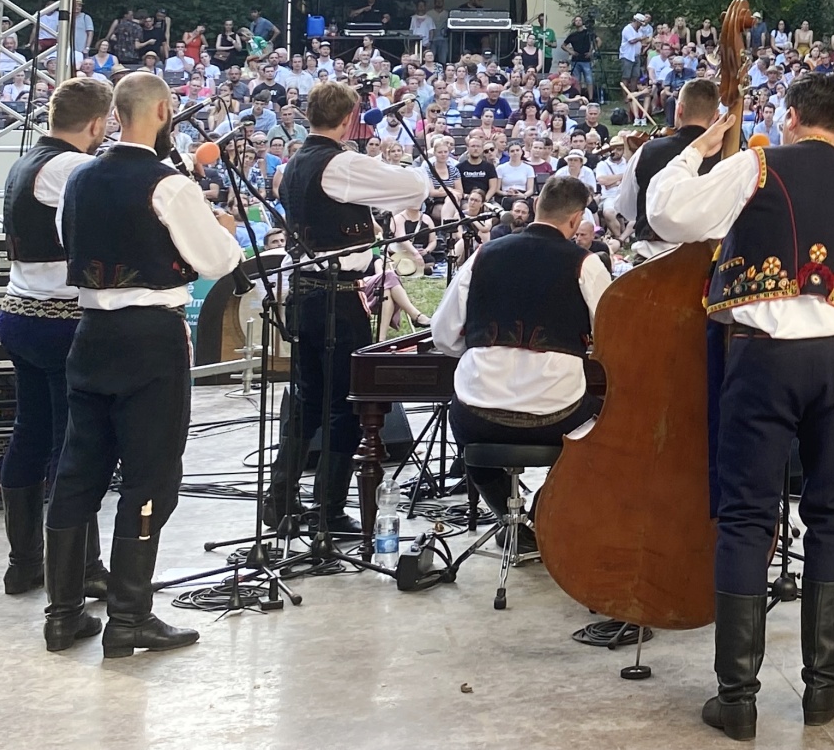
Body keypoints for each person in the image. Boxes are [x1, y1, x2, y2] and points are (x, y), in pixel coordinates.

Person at [647, 73, 834, 740]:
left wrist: (696, 149)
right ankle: (823, 688)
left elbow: (667, 214)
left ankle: (737, 698)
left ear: (792, 117)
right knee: (833, 515)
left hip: (762, 356)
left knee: (747, 517)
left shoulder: (757, 165)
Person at [43, 72, 243, 656]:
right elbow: (217, 260)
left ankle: (62, 616)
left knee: (78, 472)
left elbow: (68, 241)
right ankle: (129, 618)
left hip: (91, 332)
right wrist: (225, 231)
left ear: (115, 115)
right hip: (150, 338)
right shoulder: (169, 185)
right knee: (150, 476)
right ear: (161, 112)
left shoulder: (79, 178)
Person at [264, 80, 431, 533]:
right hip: (336, 297)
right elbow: (415, 187)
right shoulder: (340, 164)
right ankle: (329, 509)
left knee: (307, 399)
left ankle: (280, 500)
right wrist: (395, 161)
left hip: (304, 291)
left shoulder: (295, 164)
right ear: (348, 120)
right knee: (344, 403)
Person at [431, 174, 609, 547]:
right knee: (606, 427)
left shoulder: (483, 255)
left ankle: (508, 520)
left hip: (479, 415)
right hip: (556, 415)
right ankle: (543, 513)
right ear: (576, 219)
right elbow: (613, 335)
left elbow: (443, 335)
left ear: (536, 206)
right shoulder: (585, 263)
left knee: (462, 422)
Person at [0, 77, 114, 600]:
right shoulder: (71, 167)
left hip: (18, 313)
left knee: (31, 433)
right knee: (76, 444)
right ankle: (82, 568)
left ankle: (23, 564)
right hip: (60, 320)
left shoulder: (25, 162)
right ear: (97, 123)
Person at [611, 77, 720, 252]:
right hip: (706, 258)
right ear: (715, 116)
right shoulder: (729, 157)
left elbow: (627, 209)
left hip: (651, 257)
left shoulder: (647, 150)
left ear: (679, 109)